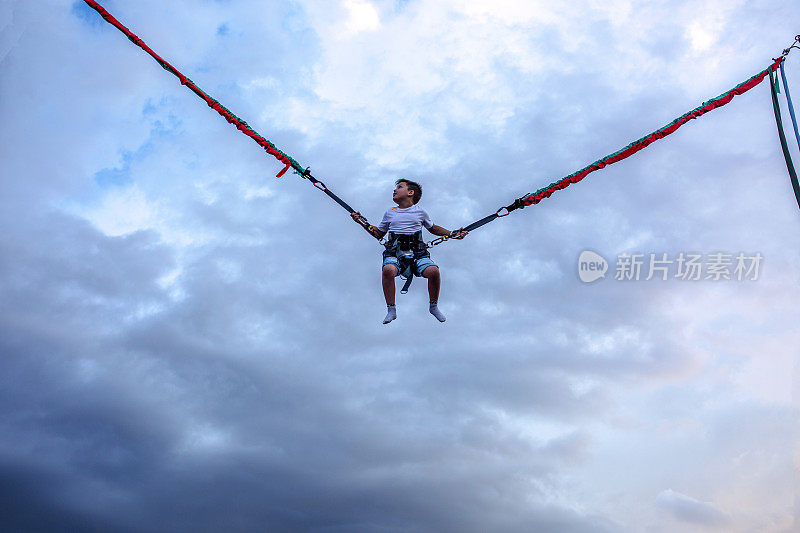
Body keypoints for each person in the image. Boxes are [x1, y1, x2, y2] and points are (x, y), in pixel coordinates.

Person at [351, 179, 467, 324]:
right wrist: (361, 222)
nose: (394, 190)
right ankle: (391, 309)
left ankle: (433, 306)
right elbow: (378, 233)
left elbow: (434, 228)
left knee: (434, 271)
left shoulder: (420, 212)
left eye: (399, 187)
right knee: (388, 270)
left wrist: (452, 234)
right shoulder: (390, 212)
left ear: (410, 193)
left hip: (418, 253)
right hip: (395, 253)